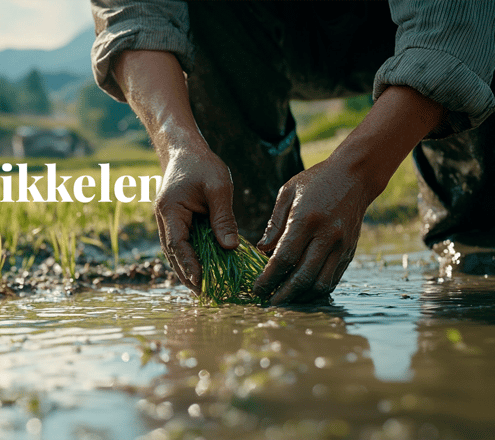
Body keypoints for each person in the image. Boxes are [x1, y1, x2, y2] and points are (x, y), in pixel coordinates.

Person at [89, 1, 495, 304]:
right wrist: (177, 144)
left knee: (479, 252)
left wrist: (356, 173)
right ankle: (267, 257)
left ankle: (477, 246)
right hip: (261, 30)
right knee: (268, 274)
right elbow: (135, 19)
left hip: (420, 26)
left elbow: (454, 29)